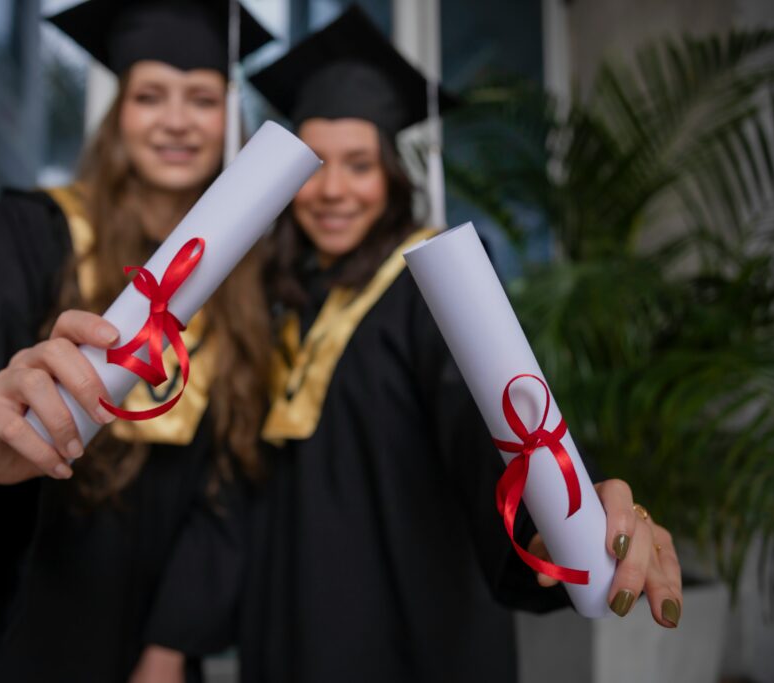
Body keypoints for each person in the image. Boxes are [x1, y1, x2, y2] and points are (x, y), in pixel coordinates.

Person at [239, 7, 683, 682]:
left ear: (392, 173)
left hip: (408, 628)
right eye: (315, 165)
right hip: (288, 618)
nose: (331, 190)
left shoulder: (435, 287)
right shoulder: (282, 293)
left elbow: (498, 424)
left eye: (358, 165)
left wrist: (563, 517)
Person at [0, 1, 273, 681]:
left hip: (146, 623)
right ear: (118, 116)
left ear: (231, 121)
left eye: (202, 99)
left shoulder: (251, 284)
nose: (177, 120)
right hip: (18, 598)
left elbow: (230, 484)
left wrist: (170, 645)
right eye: (150, 95)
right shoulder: (35, 230)